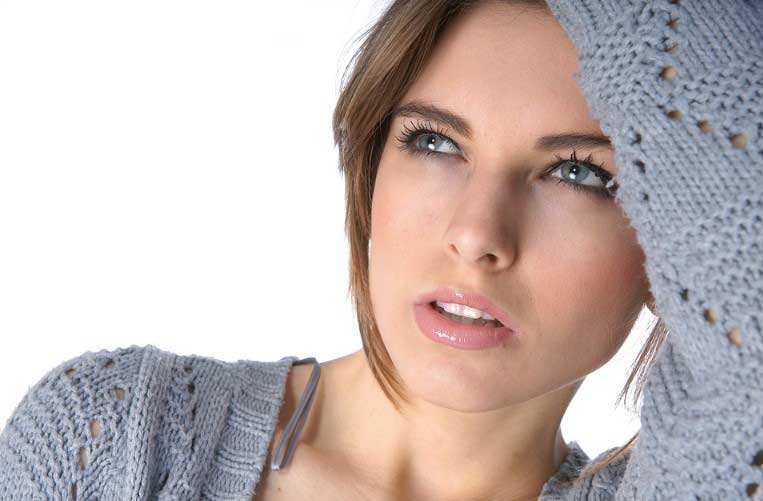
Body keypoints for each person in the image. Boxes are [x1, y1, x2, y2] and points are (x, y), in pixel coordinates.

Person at [1, 0, 761, 499]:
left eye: (578, 173)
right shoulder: (111, 434)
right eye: (435, 142)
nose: (476, 233)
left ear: (670, 234)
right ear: (370, 170)